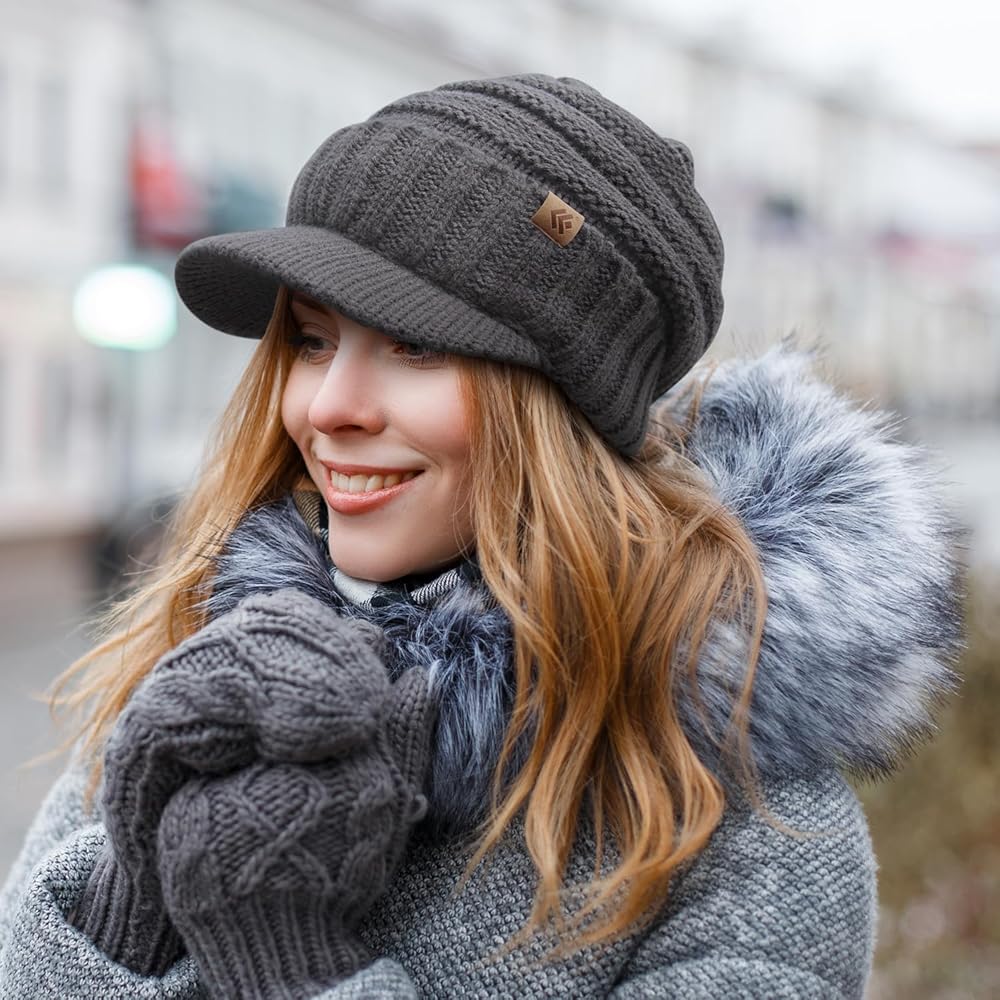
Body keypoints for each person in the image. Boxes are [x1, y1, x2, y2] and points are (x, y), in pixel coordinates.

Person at [0, 74, 963, 999]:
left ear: (563, 408)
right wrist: (132, 898)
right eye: (313, 340)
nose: (328, 406)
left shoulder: (752, 836)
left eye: (414, 345)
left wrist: (296, 965)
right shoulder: (205, 676)